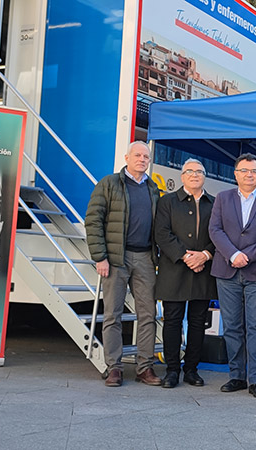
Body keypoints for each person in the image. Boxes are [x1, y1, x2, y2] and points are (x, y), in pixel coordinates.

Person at [85, 141, 161, 387]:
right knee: (113, 314)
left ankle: (145, 367)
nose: (142, 159)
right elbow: (93, 220)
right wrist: (100, 257)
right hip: (116, 258)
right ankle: (114, 367)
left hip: (145, 259)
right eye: (137, 155)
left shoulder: (152, 188)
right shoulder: (109, 184)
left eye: (146, 156)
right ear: (127, 157)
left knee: (148, 314)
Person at [208, 153, 256, 399]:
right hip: (226, 270)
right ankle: (236, 376)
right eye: (245, 170)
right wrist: (232, 254)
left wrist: (246, 255)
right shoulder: (222, 198)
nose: (250, 175)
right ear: (236, 173)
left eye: (254, 171)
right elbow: (214, 229)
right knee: (232, 326)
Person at [153, 159, 216, 388]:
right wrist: (186, 256)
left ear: (204, 176)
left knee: (198, 322)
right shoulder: (167, 201)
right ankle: (172, 370)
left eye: (199, 171)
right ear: (182, 176)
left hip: (204, 271)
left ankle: (191, 370)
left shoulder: (214, 204)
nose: (194, 175)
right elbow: (161, 233)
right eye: (189, 171)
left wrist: (205, 256)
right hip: (174, 269)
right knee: (172, 321)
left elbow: (218, 235)